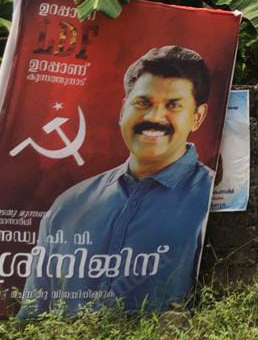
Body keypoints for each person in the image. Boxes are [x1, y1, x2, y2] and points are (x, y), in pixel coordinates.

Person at [19, 46, 216, 318]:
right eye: (143, 103)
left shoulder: (213, 198)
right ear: (123, 109)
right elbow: (31, 314)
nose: (154, 118)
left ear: (197, 117)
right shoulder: (70, 204)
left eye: (173, 105)